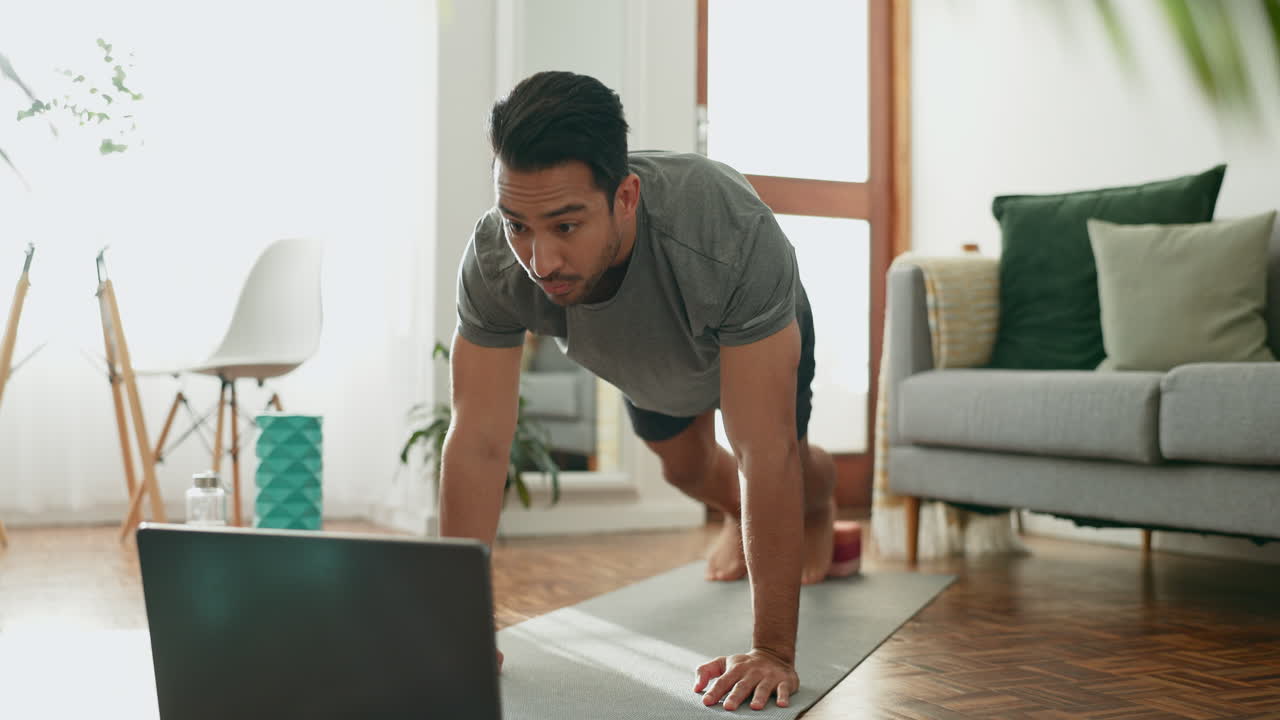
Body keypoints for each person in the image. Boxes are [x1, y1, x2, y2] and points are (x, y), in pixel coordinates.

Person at [440, 70, 841, 713]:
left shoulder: (726, 230)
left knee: (777, 457)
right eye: (518, 225)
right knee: (684, 469)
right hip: (645, 352)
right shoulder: (494, 260)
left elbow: (762, 451)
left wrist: (772, 651)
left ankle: (819, 502)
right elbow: (479, 439)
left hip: (748, 326)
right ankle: (745, 514)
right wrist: (455, 627)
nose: (538, 260)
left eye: (565, 227)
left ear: (626, 197)